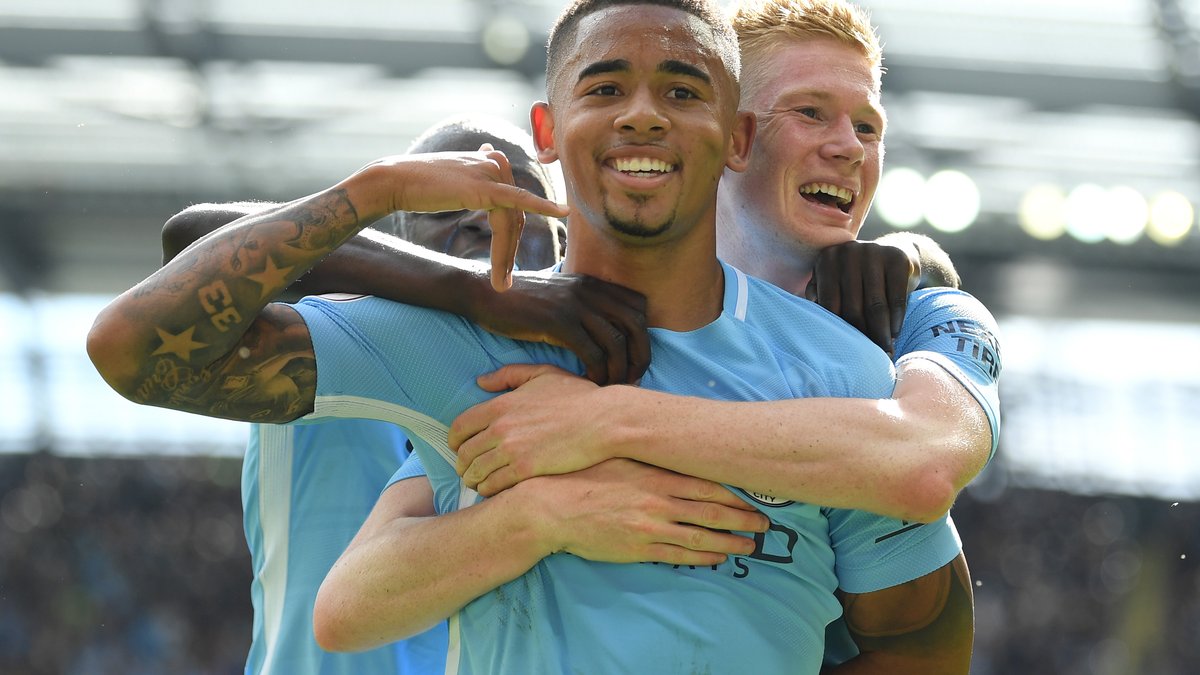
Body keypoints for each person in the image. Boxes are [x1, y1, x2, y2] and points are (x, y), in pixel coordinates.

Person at [86, 0, 965, 671]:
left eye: (683, 90)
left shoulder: (844, 369)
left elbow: (922, 636)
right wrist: (378, 189)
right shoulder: (460, 343)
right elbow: (132, 347)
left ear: (736, 137)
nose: (643, 115)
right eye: (605, 87)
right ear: (548, 131)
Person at [442, 0, 998, 671]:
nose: (849, 147)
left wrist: (607, 420)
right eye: (810, 112)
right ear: (732, 134)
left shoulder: (920, 315)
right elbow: (365, 576)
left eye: (868, 127)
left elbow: (928, 464)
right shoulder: (563, 315)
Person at [156, 116, 613, 675]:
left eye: (519, 197)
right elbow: (190, 240)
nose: (481, 216)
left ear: (562, 244)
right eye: (443, 207)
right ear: (395, 241)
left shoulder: (586, 382)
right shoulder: (334, 330)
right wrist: (465, 285)